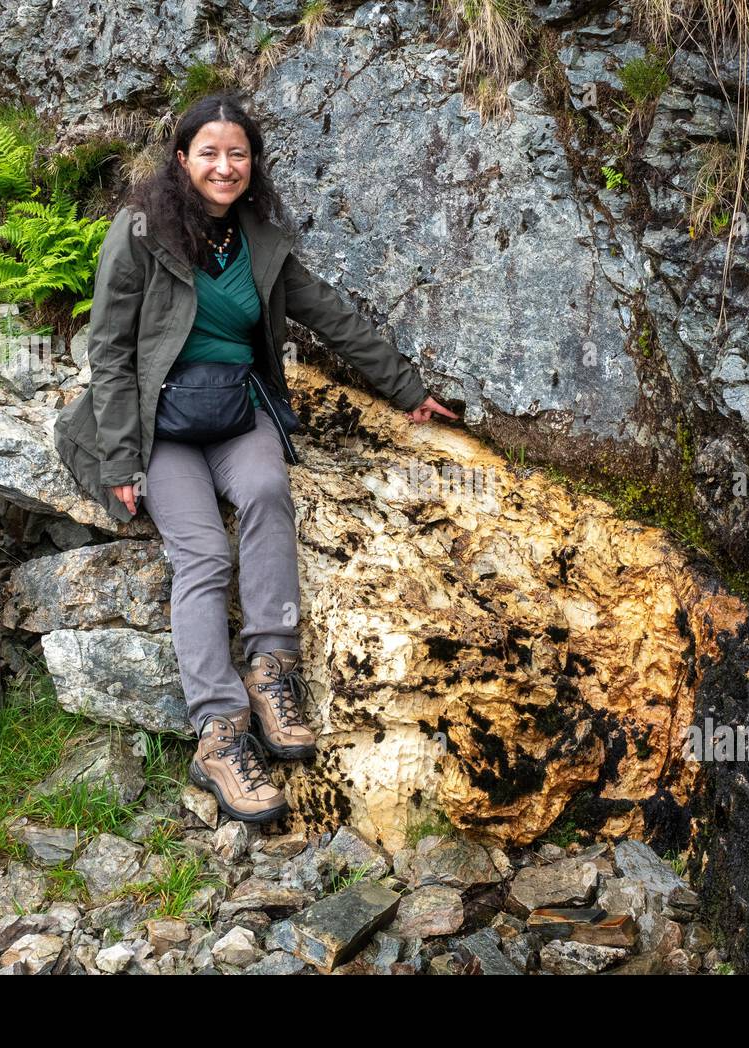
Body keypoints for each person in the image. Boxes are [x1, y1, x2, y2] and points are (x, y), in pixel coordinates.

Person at [90, 94, 458, 823]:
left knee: (266, 491)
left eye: (238, 154)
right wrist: (119, 460)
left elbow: (331, 316)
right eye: (209, 154)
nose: (224, 167)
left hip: (237, 407)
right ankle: (220, 733)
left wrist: (408, 389)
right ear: (181, 160)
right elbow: (108, 349)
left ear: (251, 164)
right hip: (158, 419)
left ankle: (272, 669)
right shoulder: (138, 232)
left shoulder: (261, 240)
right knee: (201, 556)